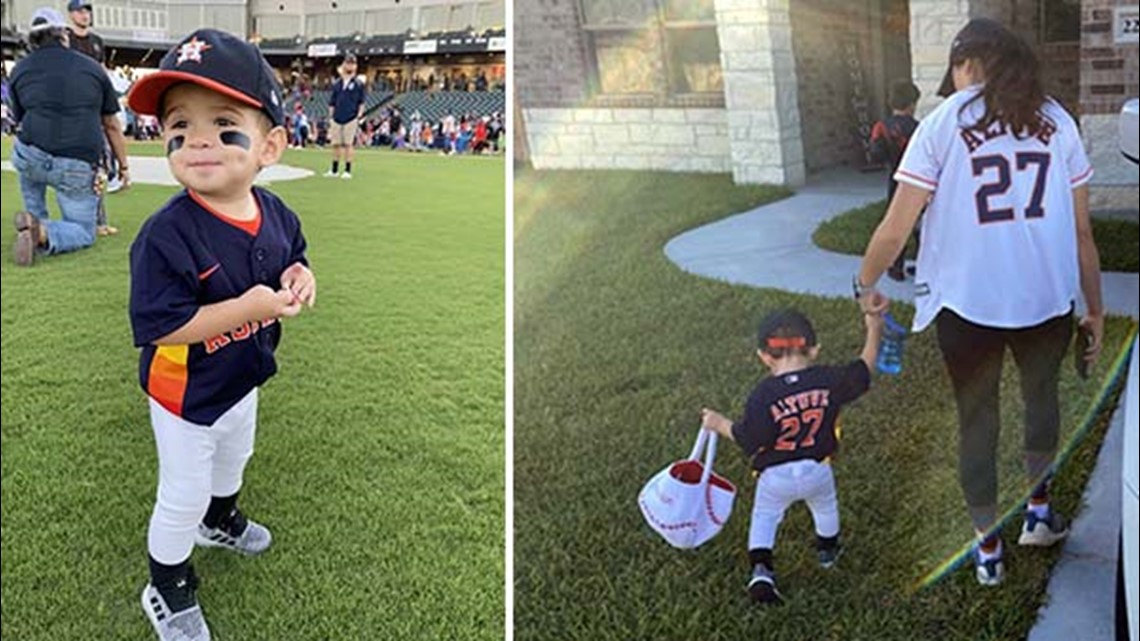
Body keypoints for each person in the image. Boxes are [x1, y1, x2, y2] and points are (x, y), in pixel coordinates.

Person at [855, 18, 1104, 587]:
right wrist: (1095, 306)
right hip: (1047, 299)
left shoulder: (943, 122)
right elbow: (1083, 234)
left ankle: (988, 547)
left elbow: (896, 227)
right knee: (1042, 405)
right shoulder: (1057, 120)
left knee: (978, 422)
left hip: (967, 306)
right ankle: (1038, 513)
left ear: (964, 64)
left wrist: (864, 282)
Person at [125, 28, 316, 640]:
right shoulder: (167, 233)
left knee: (236, 456)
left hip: (243, 375)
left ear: (271, 146)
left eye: (225, 125)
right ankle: (168, 584)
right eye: (179, 128)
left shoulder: (277, 213)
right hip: (183, 391)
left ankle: (222, 518)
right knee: (181, 488)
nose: (197, 139)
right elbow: (164, 326)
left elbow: (295, 257)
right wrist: (247, 307)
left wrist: (299, 275)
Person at [701, 308, 883, 604]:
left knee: (764, 517)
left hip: (776, 477)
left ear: (764, 356)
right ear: (814, 349)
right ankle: (827, 552)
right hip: (817, 470)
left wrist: (719, 423)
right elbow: (863, 371)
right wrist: (874, 327)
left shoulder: (764, 394)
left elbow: (750, 439)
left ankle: (762, 571)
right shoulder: (829, 379)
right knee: (825, 507)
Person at [8, 7, 128, 267]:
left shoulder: (19, 70)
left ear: (32, 40)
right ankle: (41, 232)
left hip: (31, 153)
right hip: (76, 162)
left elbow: (18, 118)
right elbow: (111, 125)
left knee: (29, 178)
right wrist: (123, 166)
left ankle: (33, 221)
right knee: (83, 231)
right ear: (63, 34)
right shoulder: (93, 69)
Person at [869, 80, 921, 281]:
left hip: (895, 180)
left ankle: (896, 267)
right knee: (921, 226)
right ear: (912, 104)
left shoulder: (882, 126)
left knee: (897, 223)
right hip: (918, 181)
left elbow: (876, 154)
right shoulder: (920, 127)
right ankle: (923, 265)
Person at [325, 53, 365, 179]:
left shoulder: (358, 84)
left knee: (348, 144)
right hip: (337, 117)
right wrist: (331, 117)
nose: (350, 66)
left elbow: (361, 102)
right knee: (335, 144)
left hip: (351, 117)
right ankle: (334, 169)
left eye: (352, 63)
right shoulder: (337, 84)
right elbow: (332, 102)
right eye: (348, 63)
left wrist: (358, 116)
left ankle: (347, 170)